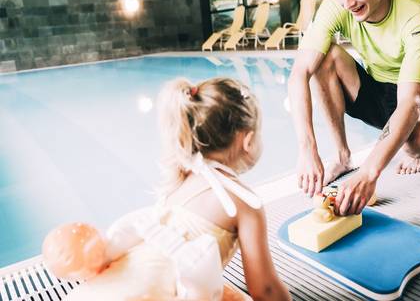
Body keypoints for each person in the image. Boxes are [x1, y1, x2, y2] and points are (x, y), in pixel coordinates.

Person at [56, 77, 291, 301]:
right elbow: (265, 290)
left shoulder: (182, 178)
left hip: (108, 288)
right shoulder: (243, 201)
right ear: (249, 141)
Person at [288, 0, 420, 216]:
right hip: (377, 88)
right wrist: (307, 150)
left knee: (418, 139)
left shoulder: (417, 13)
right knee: (323, 57)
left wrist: (369, 173)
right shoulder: (335, 6)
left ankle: (415, 149)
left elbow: (410, 104)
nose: (347, 3)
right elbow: (299, 74)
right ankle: (343, 156)